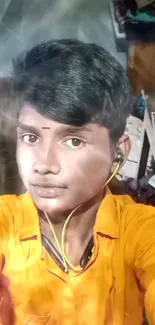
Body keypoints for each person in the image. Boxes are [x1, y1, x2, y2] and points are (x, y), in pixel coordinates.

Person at [0, 39, 154, 325]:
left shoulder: (140, 230)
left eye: (73, 140)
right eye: (31, 137)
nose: (44, 164)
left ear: (118, 152)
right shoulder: (5, 221)